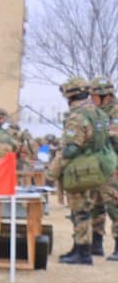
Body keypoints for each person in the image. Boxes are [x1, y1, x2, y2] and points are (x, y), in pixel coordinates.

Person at [50, 77, 112, 264]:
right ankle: (78, 248)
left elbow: (71, 148)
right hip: (97, 167)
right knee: (87, 208)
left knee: (80, 211)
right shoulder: (99, 113)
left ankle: (83, 252)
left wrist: (54, 170)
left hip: (80, 169)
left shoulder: (77, 116)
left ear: (70, 95)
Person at [88, 77, 118, 259]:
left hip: (113, 166)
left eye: (94, 95)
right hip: (97, 165)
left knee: (114, 205)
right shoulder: (97, 112)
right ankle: (96, 244)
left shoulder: (115, 112)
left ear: (105, 96)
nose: (91, 98)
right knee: (95, 205)